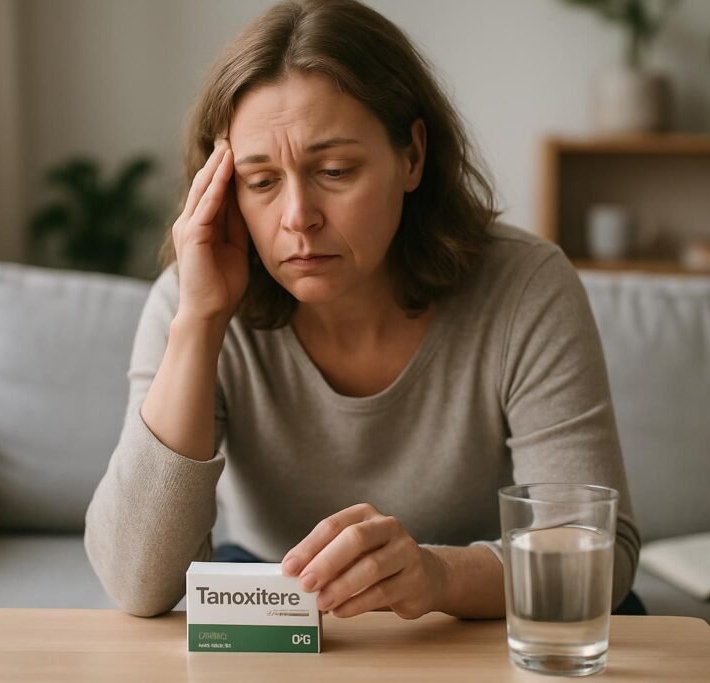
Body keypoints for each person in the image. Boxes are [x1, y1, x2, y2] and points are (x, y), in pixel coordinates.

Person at [84, 0, 643, 620]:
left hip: (476, 611)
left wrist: (437, 576)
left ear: (411, 157)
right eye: (261, 181)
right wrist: (198, 325)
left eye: (334, 169)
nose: (297, 217)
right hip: (277, 601)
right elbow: (135, 583)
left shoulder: (526, 288)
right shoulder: (194, 300)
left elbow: (599, 555)